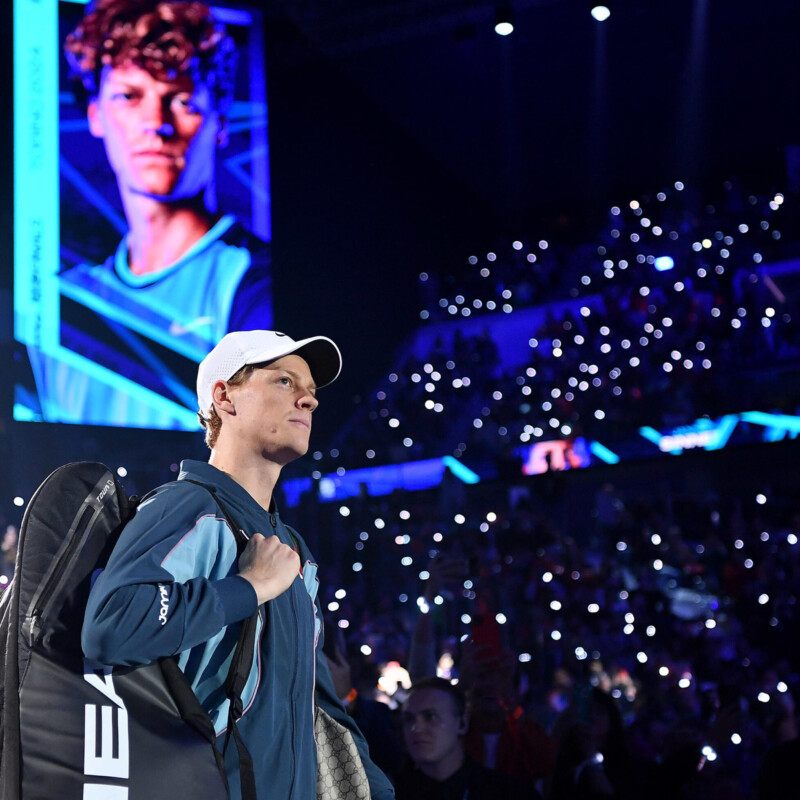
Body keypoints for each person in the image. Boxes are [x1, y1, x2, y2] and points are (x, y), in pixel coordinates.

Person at [81, 329, 395, 799]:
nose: (308, 401)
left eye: (310, 391)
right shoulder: (185, 506)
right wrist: (248, 587)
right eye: (285, 382)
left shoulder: (292, 549)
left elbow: (320, 709)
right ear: (225, 398)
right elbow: (109, 626)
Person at [29, 0, 272, 428]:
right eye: (129, 96)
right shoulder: (64, 301)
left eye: (180, 100)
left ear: (219, 122)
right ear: (95, 114)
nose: (154, 122)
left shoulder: (252, 281)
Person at [395, 677, 537, 800]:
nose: (416, 728)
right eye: (409, 719)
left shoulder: (509, 794)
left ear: (462, 723)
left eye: (430, 716)